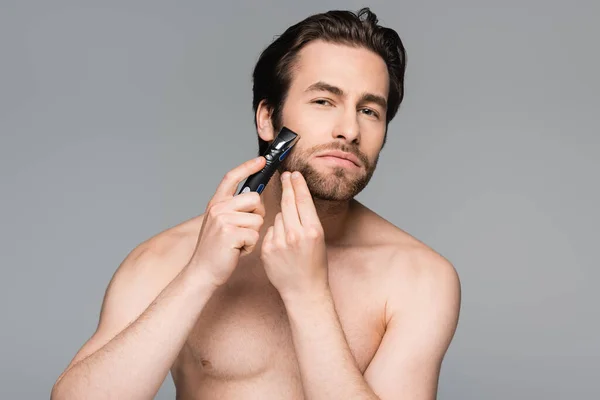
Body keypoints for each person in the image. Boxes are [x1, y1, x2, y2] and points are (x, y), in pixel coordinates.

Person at [51, 7, 461, 400]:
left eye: (370, 110)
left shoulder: (419, 278)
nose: (350, 129)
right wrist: (199, 276)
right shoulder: (168, 258)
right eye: (323, 101)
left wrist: (308, 295)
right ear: (268, 119)